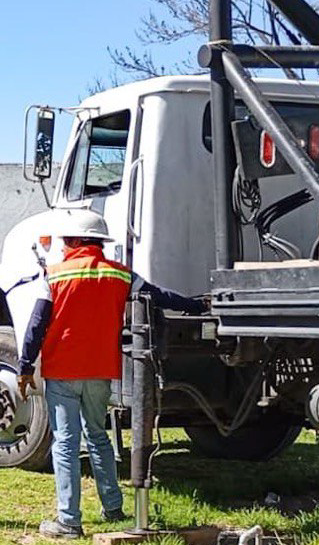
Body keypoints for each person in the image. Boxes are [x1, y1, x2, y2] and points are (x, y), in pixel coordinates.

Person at [17, 209, 204, 539]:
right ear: (98, 242)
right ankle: (113, 506)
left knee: (65, 443)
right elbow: (159, 297)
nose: (61, 247)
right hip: (101, 370)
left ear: (73, 241)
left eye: (64, 241)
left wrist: (24, 368)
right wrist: (197, 307)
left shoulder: (54, 275)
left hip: (63, 372)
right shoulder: (120, 274)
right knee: (98, 435)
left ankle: (68, 521)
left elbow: (35, 326)